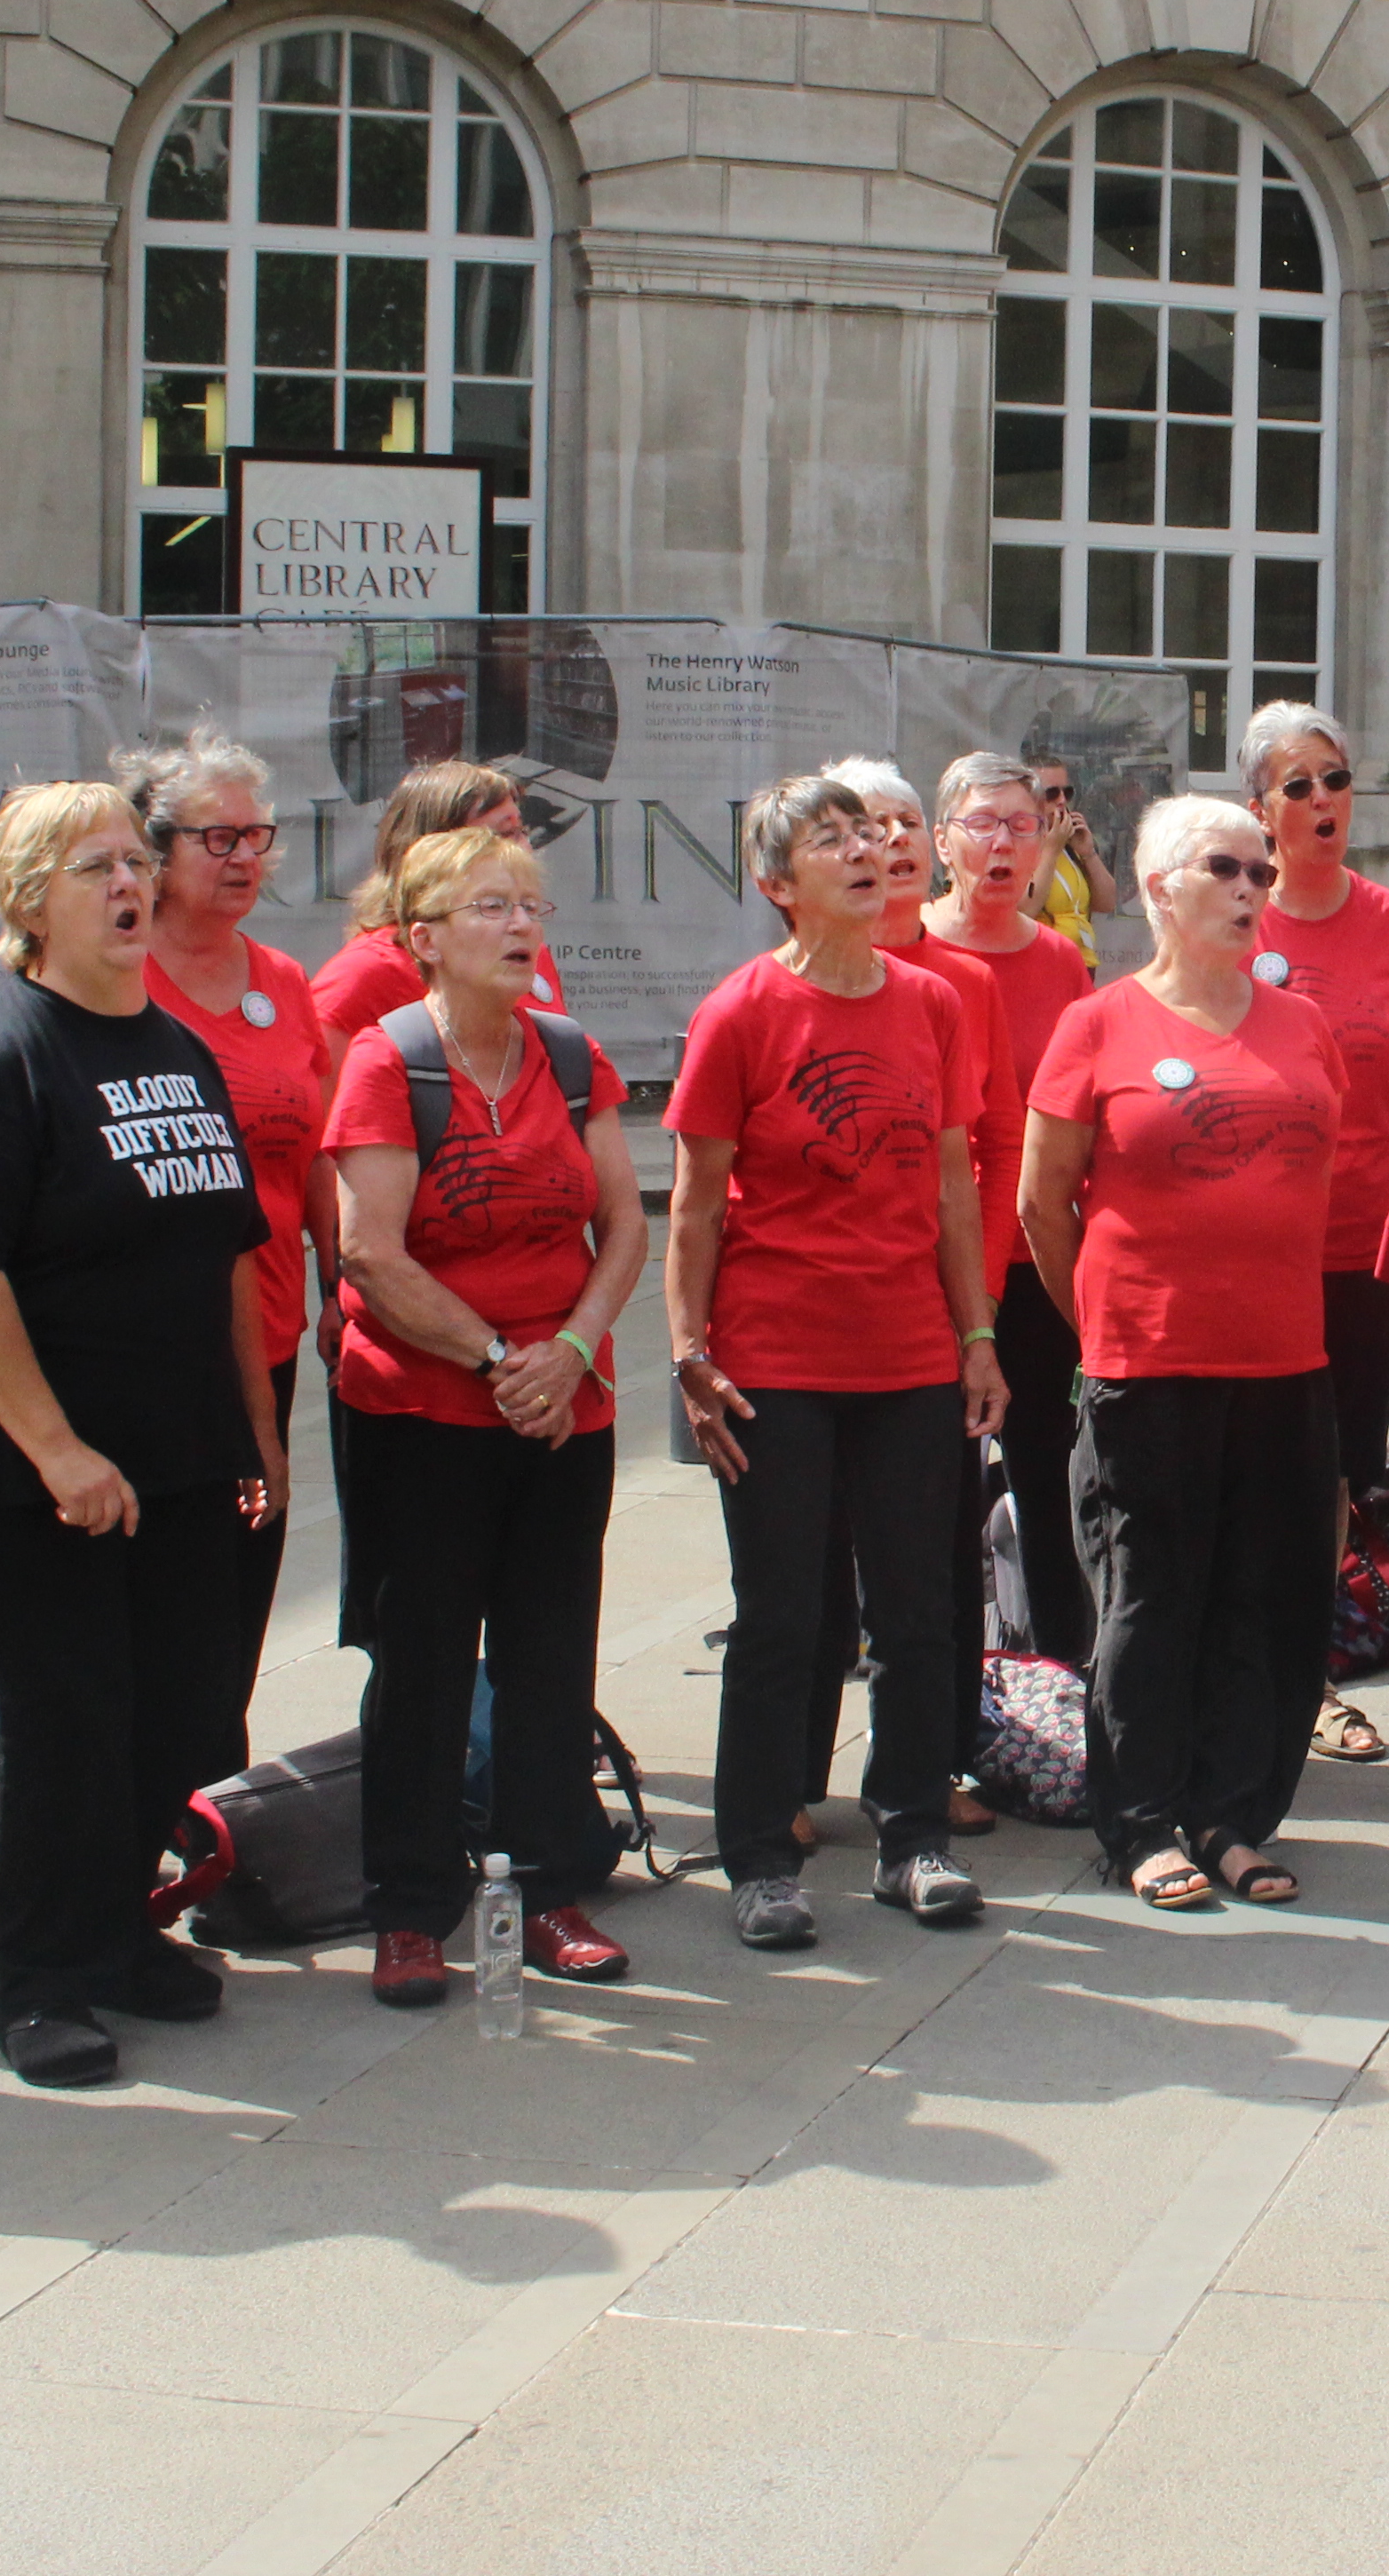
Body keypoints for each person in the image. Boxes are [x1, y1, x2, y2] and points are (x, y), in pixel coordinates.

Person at [0, 781, 282, 2090]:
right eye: (92, 867)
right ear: (29, 901)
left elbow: (229, 1250)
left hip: (175, 1455)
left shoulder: (175, 1049)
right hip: (29, 1471)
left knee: (172, 1710)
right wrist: (58, 1451)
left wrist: (254, 1438)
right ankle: (45, 1980)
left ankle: (120, 1935)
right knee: (66, 1721)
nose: (127, 885)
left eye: (134, 860)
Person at [669, 773, 1005, 1949]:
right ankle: (761, 1853)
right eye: (831, 840)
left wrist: (977, 1337)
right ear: (776, 883)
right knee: (783, 1616)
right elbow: (696, 1207)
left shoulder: (933, 1004)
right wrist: (687, 1354)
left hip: (909, 1353)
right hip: (777, 1358)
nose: (866, 852)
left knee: (920, 1611)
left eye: (871, 833)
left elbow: (955, 1185)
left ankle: (914, 1838)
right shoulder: (742, 1012)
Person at [325, 826, 649, 2001]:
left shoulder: (570, 1056)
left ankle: (550, 1888)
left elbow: (622, 1226)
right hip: (423, 1414)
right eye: (489, 907)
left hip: (566, 1410)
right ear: (422, 939)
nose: (522, 927)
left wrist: (568, 1353)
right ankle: (411, 1909)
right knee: (419, 1664)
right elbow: (368, 1252)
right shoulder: (386, 1062)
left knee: (549, 1656)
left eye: (531, 905)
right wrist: (498, 1358)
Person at [1028, 795, 1345, 1907]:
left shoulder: (1299, 1022)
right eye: (1228, 867)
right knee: (1151, 1600)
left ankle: (1233, 1814)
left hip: (1285, 1361)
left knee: (1271, 1597)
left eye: (1262, 870)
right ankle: (1141, 1821)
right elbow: (1042, 1203)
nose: (1255, 888)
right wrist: (1110, 1327)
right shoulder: (1099, 1024)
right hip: (1148, 1365)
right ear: (1161, 886)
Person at [125, 727, 336, 1768]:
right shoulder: (115, 976)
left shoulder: (284, 981)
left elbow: (324, 1151)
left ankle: (211, 1803)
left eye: (258, 834)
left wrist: (343, 1287)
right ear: (152, 849)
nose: (245, 856)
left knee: (243, 1576)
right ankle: (155, 1805)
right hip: (148, 1344)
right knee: (161, 1595)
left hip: (271, 1331)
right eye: (217, 836)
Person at [1243, 701, 1389, 1765]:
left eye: (1337, 778)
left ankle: (1308, 1676)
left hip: (1362, 1241)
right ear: (1260, 809)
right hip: (1256, 1253)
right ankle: (1244, 1668)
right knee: (1262, 1466)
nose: (1322, 800)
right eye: (1298, 784)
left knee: (1337, 1474)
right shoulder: (1238, 914)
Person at [923, 753, 1100, 1669]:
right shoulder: (907, 951)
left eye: (1022, 827)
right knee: (941, 1494)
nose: (1003, 843)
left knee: (1055, 1472)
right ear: (943, 838)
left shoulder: (1059, 959)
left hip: (1038, 1256)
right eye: (983, 824)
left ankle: (1067, 1688)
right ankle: (952, 1702)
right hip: (936, 1260)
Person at [312, 760, 561, 1048]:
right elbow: (321, 1089)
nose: (523, 850)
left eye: (522, 832)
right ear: (431, 853)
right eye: (503, 837)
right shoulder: (366, 973)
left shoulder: (528, 950)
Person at [1028, 753, 1122, 953]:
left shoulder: (1069, 845)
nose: (1062, 801)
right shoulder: (1021, 846)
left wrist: (1088, 854)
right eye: (1051, 793)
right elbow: (1026, 909)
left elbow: (1107, 902)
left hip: (1081, 960)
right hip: (1045, 959)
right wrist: (1051, 850)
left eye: (1067, 792)